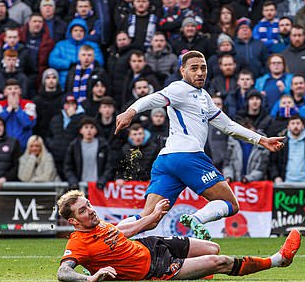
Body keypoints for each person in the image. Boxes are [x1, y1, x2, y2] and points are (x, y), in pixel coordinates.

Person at [114, 51, 285, 240]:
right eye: (194, 68)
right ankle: (196, 218)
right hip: (188, 157)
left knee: (148, 218)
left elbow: (228, 126)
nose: (200, 73)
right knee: (230, 204)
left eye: (203, 68)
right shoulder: (178, 88)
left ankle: (105, 243)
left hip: (166, 160)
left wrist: (261, 140)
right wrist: (131, 111)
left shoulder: (203, 97)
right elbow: (153, 98)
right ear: (182, 70)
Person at [56, 190, 301, 282]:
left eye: (89, 204)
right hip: (155, 268)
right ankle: (278, 260)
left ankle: (195, 272)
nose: (91, 210)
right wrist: (89, 278)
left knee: (212, 248)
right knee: (221, 261)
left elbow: (127, 230)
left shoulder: (100, 225)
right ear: (73, 221)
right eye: (83, 211)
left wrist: (154, 216)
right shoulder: (78, 243)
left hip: (152, 245)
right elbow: (63, 272)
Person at [270, 115, 305, 183]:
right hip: (285, 183)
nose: (295, 126)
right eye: (293, 123)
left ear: (303, 126)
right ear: (288, 127)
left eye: (298, 123)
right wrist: (276, 176)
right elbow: (273, 162)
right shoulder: (281, 142)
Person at [0, 79, 36, 147]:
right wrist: (8, 110)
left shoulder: (29, 104)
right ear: (5, 92)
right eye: (9, 89)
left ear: (20, 91)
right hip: (2, 145)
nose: (13, 91)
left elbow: (28, 124)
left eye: (16, 88)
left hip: (23, 145)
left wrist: (17, 109)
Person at [222, 117, 271, 183]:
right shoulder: (232, 144)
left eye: (249, 129)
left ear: (255, 130)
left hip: (255, 186)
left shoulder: (262, 146)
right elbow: (227, 164)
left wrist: (247, 179)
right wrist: (228, 177)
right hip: (236, 184)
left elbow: (262, 168)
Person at [0, 115, 21, 189]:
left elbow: (17, 165)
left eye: (1, 125)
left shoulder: (13, 143)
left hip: (7, 186)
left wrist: (5, 178)